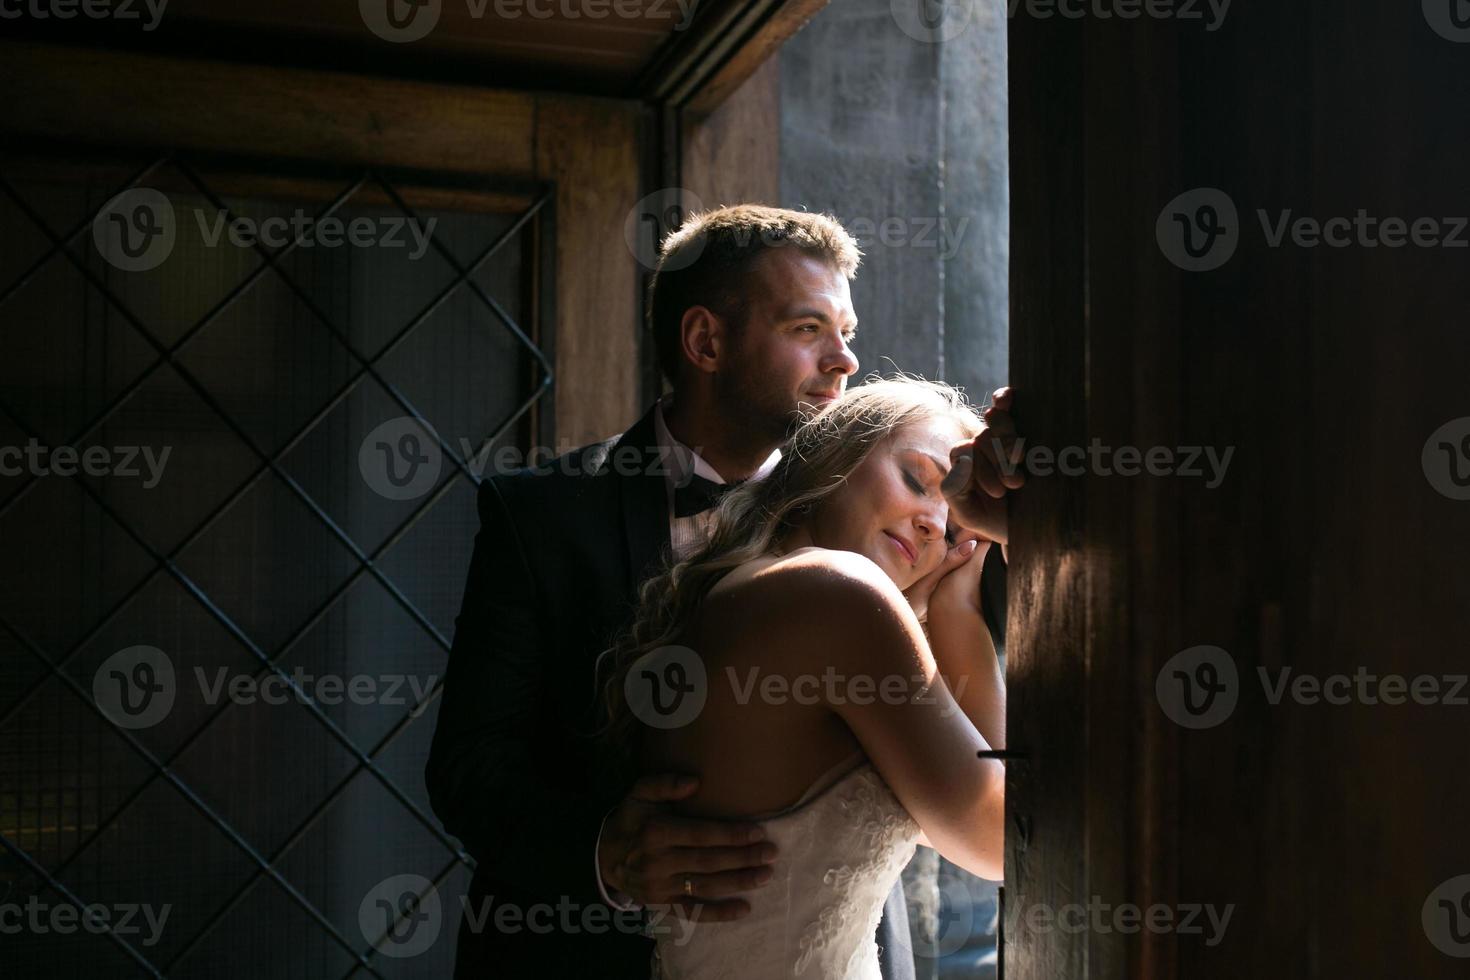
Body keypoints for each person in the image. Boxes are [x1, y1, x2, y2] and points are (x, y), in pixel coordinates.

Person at [599, 375, 1009, 979]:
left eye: (952, 533)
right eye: (916, 480)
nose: (930, 523)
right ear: (836, 455)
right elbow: (1003, 837)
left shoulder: (766, 594)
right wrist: (962, 612)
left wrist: (948, 606)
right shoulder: (835, 592)